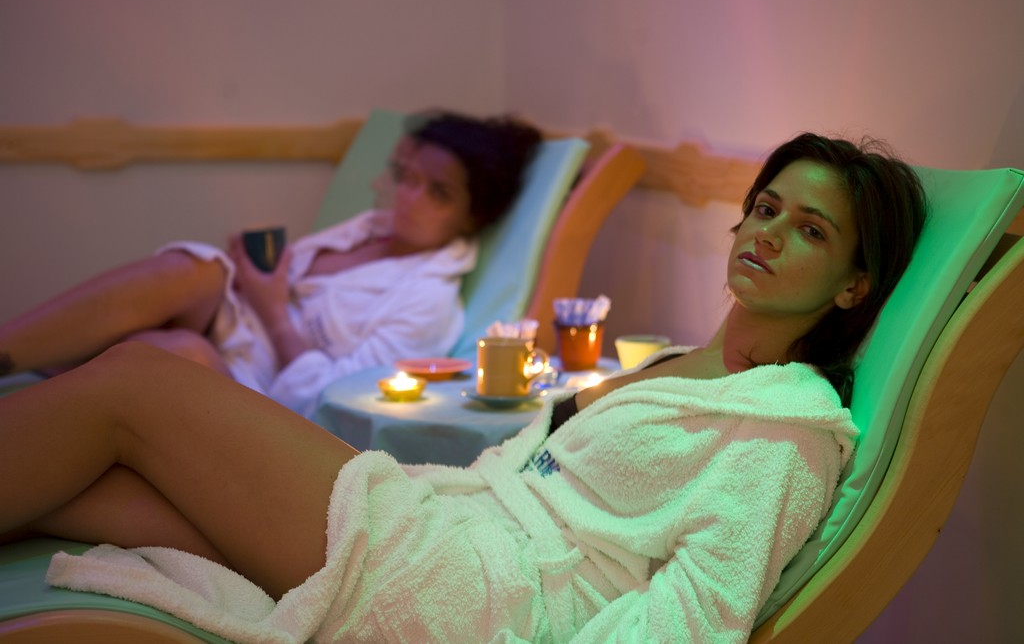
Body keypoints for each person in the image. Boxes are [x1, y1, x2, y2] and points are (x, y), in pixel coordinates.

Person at [0, 132, 928, 642]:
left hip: (477, 595)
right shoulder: (689, 362)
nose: (768, 233)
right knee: (97, 491)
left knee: (139, 381)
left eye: (811, 230)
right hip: (455, 525)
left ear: (855, 286)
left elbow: (690, 622)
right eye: (765, 207)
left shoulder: (785, 429)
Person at [0, 111, 543, 416]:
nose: (407, 197)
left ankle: (34, 411)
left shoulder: (427, 302)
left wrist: (273, 310)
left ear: (473, 217)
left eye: (437, 192)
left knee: (178, 351)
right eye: (407, 177)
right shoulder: (371, 228)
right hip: (233, 326)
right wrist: (252, 278)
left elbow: (334, 402)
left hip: (259, 395)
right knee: (195, 270)